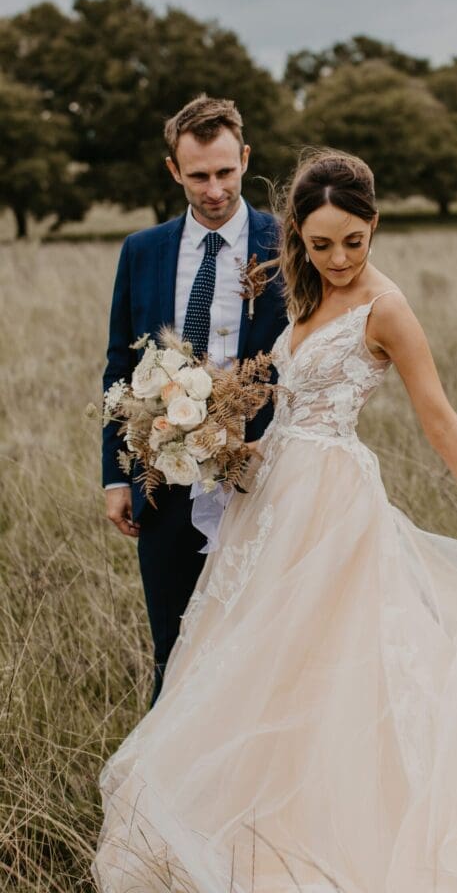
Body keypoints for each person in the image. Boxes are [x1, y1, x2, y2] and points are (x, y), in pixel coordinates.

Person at [93, 151, 457, 893]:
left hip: (332, 505)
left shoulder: (386, 307)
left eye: (354, 242)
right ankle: (254, 815)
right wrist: (207, 439)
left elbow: (439, 418)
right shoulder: (298, 295)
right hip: (269, 496)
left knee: (337, 666)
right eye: (321, 244)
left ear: (374, 227)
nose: (339, 259)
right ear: (298, 239)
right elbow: (285, 406)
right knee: (254, 660)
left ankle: (344, 824)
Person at [102, 95, 287, 706]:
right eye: (199, 175)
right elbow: (120, 368)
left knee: (262, 642)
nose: (214, 189)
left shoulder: (287, 246)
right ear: (173, 170)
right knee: (174, 644)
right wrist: (115, 475)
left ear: (246, 160)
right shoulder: (142, 251)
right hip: (163, 477)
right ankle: (163, 791)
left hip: (260, 475)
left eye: (227, 172)